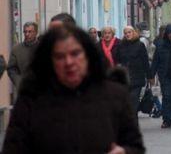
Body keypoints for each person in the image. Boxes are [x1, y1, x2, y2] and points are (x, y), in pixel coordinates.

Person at [2, 25, 145, 153]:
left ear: (87, 55)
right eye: (60, 56)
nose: (69, 62)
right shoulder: (32, 99)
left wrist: (124, 151)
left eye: (75, 53)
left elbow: (135, 145)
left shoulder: (114, 95)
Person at [113, 26, 150, 114]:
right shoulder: (121, 45)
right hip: (125, 78)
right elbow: (117, 59)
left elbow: (145, 61)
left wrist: (149, 76)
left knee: (134, 100)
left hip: (137, 77)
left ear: (133, 33)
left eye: (129, 32)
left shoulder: (140, 45)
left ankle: (133, 120)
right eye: (126, 33)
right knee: (126, 101)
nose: (127, 34)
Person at [7, 22, 39, 90]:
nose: (27, 34)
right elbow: (11, 69)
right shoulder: (16, 49)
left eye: (30, 32)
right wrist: (19, 82)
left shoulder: (44, 48)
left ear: (36, 32)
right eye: (25, 32)